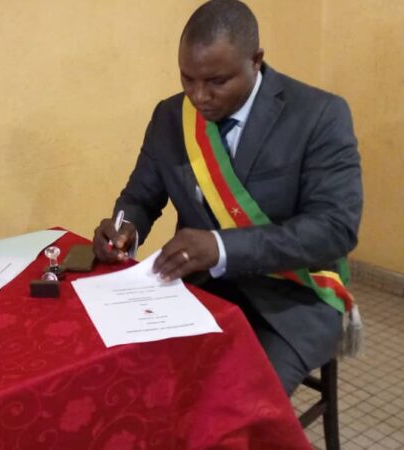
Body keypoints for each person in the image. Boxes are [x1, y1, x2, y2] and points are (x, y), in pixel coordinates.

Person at [92, 0, 362, 394]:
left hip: (292, 298)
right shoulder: (171, 117)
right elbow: (140, 197)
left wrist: (222, 247)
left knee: (233, 404)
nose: (199, 97)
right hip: (199, 288)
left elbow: (335, 229)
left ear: (256, 61)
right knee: (133, 377)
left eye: (217, 81)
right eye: (187, 79)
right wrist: (124, 228)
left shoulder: (319, 115)